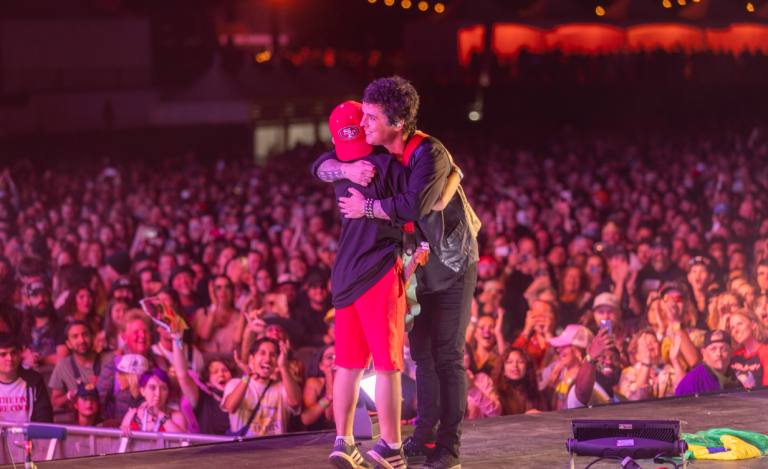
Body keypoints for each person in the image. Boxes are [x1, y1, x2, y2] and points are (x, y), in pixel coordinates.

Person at [317, 78, 479, 469]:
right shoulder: (375, 150)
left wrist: (366, 208)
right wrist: (343, 167)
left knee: (447, 356)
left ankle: (449, 449)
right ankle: (420, 440)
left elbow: (415, 205)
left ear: (399, 121)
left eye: (372, 116)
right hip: (418, 265)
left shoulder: (429, 151)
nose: (365, 122)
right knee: (422, 356)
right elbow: (321, 162)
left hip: (453, 263)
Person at [95, 310, 168, 421]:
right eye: (136, 332)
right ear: (124, 337)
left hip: (155, 434)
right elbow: (98, 403)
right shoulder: (115, 366)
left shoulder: (159, 363)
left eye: (145, 331)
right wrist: (109, 425)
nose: (142, 335)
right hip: (124, 434)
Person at [221, 337, 301, 437]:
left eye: (273, 355)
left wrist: (283, 366)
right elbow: (230, 407)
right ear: (251, 359)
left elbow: (295, 402)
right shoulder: (235, 384)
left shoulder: (282, 387)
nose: (267, 359)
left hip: (276, 449)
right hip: (245, 449)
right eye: (262, 353)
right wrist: (247, 375)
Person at [171, 331, 234, 435]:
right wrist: (177, 338)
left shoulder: (242, 400)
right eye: (215, 372)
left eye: (225, 370)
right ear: (208, 382)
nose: (221, 374)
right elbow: (182, 374)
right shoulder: (203, 402)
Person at [48, 320, 114, 409]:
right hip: (76, 420)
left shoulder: (110, 360)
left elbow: (123, 395)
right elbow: (54, 403)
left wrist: (104, 384)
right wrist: (71, 395)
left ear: (93, 338)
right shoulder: (63, 365)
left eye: (85, 335)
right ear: (68, 344)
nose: (81, 340)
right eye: (75, 336)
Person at [565, 329, 627, 408]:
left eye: (614, 358)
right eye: (602, 357)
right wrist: (591, 357)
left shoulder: (622, 399)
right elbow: (582, 391)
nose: (609, 361)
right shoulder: (589, 392)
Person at [0, 331, 53, 422]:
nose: (10, 358)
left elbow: (45, 418)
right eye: (3, 354)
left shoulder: (34, 380)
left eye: (13, 353)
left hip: (31, 436)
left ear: (19, 354)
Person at [539, 324, 593, 411]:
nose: (558, 350)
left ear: (577, 351)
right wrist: (550, 385)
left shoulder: (589, 377)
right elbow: (537, 399)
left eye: (563, 346)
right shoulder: (554, 368)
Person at [121, 368, 187, 434]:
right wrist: (124, 431)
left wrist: (160, 414)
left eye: (163, 388)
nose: (158, 394)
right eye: (152, 388)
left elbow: (182, 440)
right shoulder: (132, 414)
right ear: (143, 391)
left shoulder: (177, 416)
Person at [676, 329, 741, 395]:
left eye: (723, 349)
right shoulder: (690, 383)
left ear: (731, 353)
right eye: (713, 349)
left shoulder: (735, 381)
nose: (719, 354)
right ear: (704, 353)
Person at [20, 279, 67, 367]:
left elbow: (62, 358)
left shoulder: (61, 325)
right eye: (35, 295)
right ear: (28, 301)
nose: (41, 298)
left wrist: (38, 359)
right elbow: (16, 355)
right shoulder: (23, 327)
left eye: (44, 294)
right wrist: (25, 360)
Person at [490, 348, 547, 415]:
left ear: (527, 369)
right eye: (509, 362)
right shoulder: (496, 393)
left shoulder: (535, 394)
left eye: (520, 361)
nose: (515, 365)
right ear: (503, 370)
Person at [634, 235, 686, 306]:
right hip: (647, 315)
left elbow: (684, 299)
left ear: (671, 251)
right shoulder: (643, 274)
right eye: (656, 248)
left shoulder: (680, 274)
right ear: (651, 251)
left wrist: (664, 298)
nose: (660, 251)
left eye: (664, 248)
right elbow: (638, 304)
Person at [301, 343, 337, 431]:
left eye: (339, 357)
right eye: (330, 357)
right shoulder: (314, 383)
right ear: (321, 365)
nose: (335, 361)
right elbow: (305, 419)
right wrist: (328, 397)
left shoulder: (353, 385)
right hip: (316, 440)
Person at [729, 308, 768, 388]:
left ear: (753, 325)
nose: (736, 330)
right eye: (732, 327)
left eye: (739, 324)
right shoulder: (733, 355)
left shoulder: (765, 352)